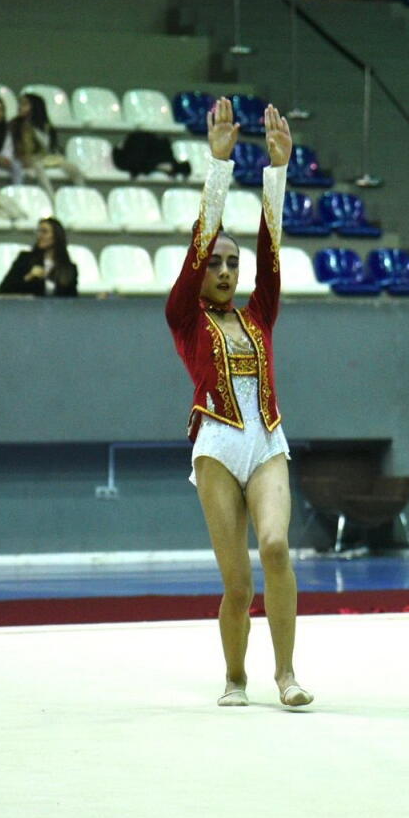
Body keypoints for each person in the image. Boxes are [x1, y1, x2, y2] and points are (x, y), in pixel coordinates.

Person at [165, 98, 312, 709]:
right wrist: (218, 165)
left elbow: (271, 249)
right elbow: (202, 240)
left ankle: (286, 674)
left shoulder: (260, 314)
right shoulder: (184, 318)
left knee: (275, 548)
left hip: (266, 437)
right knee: (237, 579)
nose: (226, 269)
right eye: (216, 263)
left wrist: (276, 171)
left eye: (234, 263)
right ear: (200, 273)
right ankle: (235, 676)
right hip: (218, 446)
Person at [10, 93, 85, 197]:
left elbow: (50, 146)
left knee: (73, 168)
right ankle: (51, 198)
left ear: (35, 107)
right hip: (29, 158)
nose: (20, 107)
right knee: (38, 167)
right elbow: (17, 147)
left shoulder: (46, 126)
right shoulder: (16, 125)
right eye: (20, 104)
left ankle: (82, 195)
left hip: (47, 157)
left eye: (24, 104)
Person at [0, 217, 78, 297]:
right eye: (38, 232)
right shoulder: (25, 259)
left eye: (44, 232)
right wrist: (29, 277)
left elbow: (72, 299)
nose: (40, 236)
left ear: (56, 236)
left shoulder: (69, 268)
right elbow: (4, 290)